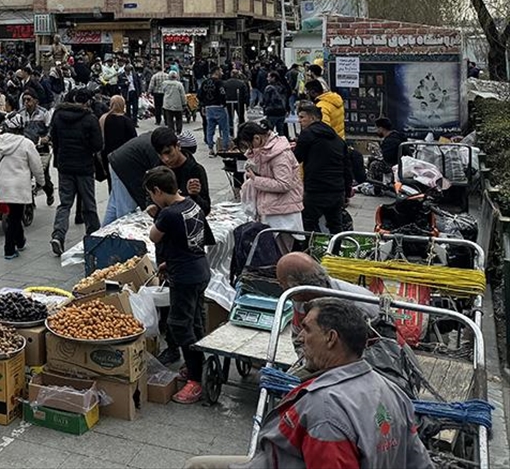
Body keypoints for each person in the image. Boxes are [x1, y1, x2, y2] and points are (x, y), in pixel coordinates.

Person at [184, 299, 430, 469]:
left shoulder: (325, 411)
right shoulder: (392, 391)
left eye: (307, 329)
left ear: (331, 338)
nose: (300, 338)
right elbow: (420, 461)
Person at [145, 166, 212, 405]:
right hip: (199, 269)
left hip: (185, 276)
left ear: (157, 191)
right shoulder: (193, 204)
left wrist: (155, 214)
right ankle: (198, 364)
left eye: (152, 195)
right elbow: (191, 239)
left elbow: (154, 236)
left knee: (179, 324)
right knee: (194, 319)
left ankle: (195, 380)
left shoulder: (168, 213)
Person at [47, 90, 103, 256]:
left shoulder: (58, 116)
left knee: (65, 203)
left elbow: (54, 140)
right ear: (86, 103)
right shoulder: (90, 119)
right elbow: (98, 145)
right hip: (84, 167)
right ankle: (93, 237)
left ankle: (58, 235)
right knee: (89, 203)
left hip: (65, 166)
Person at [0, 116, 45, 260]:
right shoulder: (26, 144)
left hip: (4, 184)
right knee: (14, 216)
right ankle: (9, 249)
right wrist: (41, 182)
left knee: (14, 214)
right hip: (19, 185)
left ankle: (20, 241)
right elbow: (37, 166)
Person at [237, 121, 303, 231]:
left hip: (283, 215)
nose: (250, 149)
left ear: (257, 138)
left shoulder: (280, 155)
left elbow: (284, 184)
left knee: (281, 248)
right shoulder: (264, 151)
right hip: (272, 210)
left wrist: (255, 179)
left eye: (249, 145)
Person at [295, 103, 349, 234]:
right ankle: (336, 250)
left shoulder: (307, 134)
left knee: (309, 223)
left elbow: (296, 158)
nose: (299, 121)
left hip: (316, 188)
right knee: (335, 224)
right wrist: (347, 191)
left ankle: (313, 250)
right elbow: (347, 167)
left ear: (313, 118)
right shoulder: (337, 139)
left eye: (302, 117)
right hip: (337, 189)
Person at [153, 126, 211, 215]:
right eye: (160, 155)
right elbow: (150, 196)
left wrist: (194, 196)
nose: (166, 159)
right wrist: (151, 205)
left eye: (168, 152)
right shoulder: (158, 169)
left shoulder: (195, 170)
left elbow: (205, 209)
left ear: (178, 146)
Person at [99, 95, 137, 180]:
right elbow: (134, 139)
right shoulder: (126, 121)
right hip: (123, 156)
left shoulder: (103, 118)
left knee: (111, 181)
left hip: (107, 155)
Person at [197, 67, 229, 155]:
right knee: (224, 129)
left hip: (208, 108)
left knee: (210, 129)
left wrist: (203, 105)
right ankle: (225, 148)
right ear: (217, 72)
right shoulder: (219, 83)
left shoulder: (204, 83)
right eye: (221, 71)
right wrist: (224, 104)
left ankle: (210, 148)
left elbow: (199, 95)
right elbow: (222, 93)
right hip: (218, 107)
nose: (222, 73)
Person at [261, 71, 289, 137]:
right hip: (282, 112)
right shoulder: (282, 87)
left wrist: (264, 107)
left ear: (273, 78)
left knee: (269, 132)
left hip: (272, 112)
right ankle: (282, 145)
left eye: (269, 77)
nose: (267, 79)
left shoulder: (269, 88)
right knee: (281, 131)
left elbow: (266, 100)